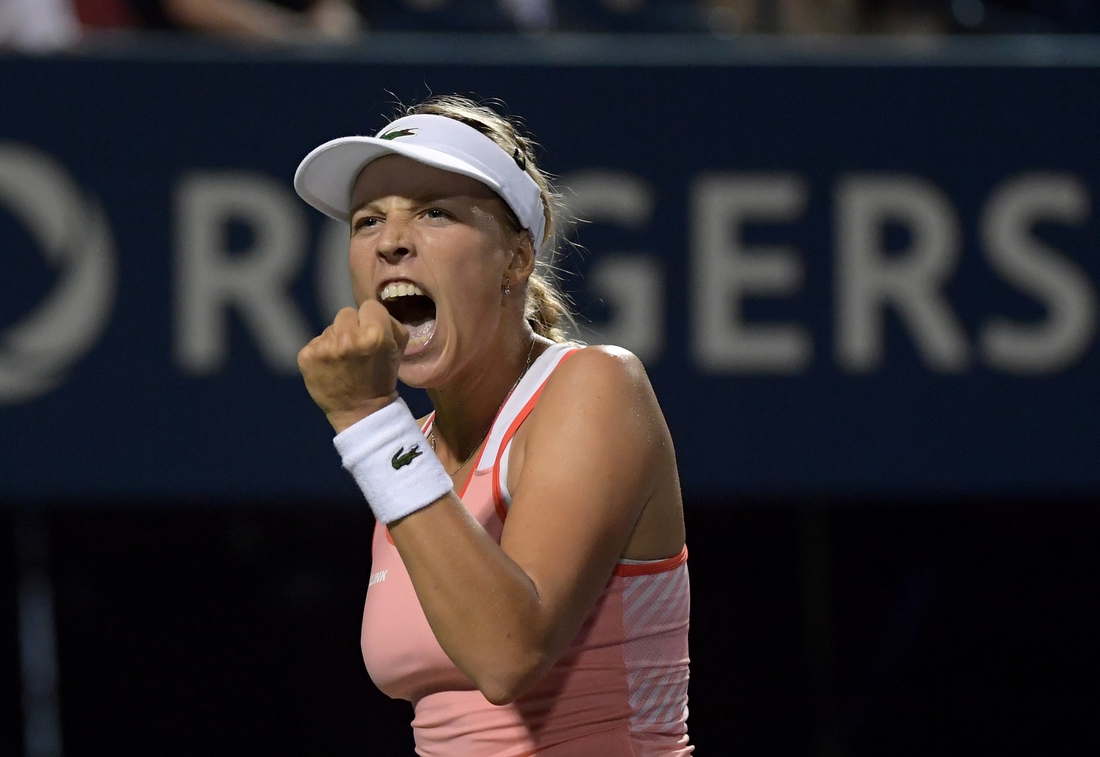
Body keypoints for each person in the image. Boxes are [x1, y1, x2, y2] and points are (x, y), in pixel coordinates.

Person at [293, 96, 691, 756]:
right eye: (367, 220)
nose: (390, 240)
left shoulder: (595, 386)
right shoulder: (411, 450)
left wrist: (366, 419)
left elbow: (507, 654)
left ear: (515, 259)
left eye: (434, 212)